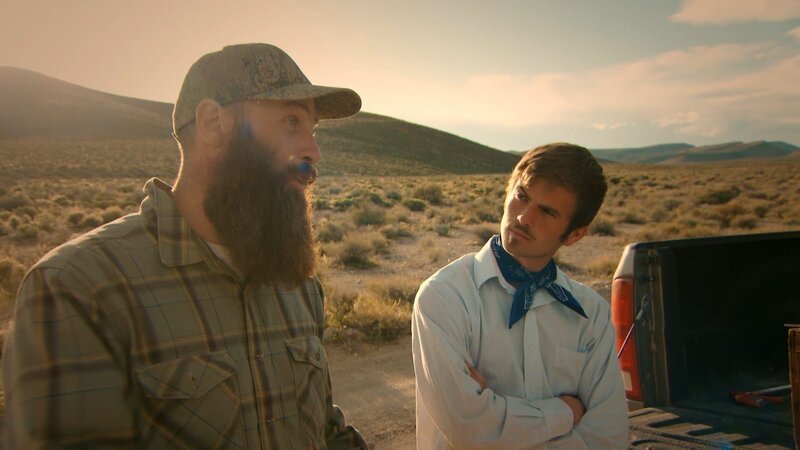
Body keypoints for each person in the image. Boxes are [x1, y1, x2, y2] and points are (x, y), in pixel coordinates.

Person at [2, 43, 368, 449]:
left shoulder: (297, 283)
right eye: (290, 122)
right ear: (213, 122)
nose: (313, 152)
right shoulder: (81, 288)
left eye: (312, 130)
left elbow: (323, 430)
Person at [412, 143, 629, 449]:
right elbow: (469, 431)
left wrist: (498, 414)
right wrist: (567, 411)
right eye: (522, 197)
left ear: (575, 234)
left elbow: (609, 438)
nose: (525, 218)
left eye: (548, 211)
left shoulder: (590, 313)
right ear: (508, 191)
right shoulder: (445, 297)